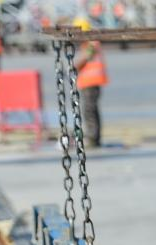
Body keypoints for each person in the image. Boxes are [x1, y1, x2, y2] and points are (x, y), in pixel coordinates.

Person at [71, 16, 107, 147]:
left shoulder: (91, 44)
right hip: (89, 82)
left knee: (89, 111)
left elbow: (85, 58)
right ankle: (94, 136)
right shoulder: (89, 43)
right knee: (91, 110)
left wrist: (73, 66)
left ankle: (93, 138)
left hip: (91, 83)